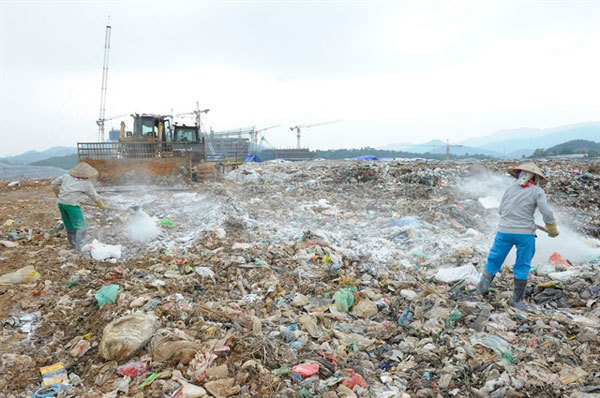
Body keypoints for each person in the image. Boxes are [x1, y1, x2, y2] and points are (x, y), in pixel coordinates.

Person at [476, 163, 559, 310]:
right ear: (536, 178)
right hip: (525, 234)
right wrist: (551, 226)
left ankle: (480, 290)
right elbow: (546, 211)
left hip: (504, 232)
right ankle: (517, 301)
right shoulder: (537, 191)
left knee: (494, 260)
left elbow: (501, 210)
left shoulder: (510, 189)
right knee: (522, 265)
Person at [51, 162, 105, 251]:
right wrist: (100, 204)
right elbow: (94, 195)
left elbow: (54, 184)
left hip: (61, 204)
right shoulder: (85, 183)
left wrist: (58, 194)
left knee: (69, 224)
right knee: (81, 226)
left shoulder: (66, 176)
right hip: (72, 206)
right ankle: (80, 246)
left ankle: (72, 243)